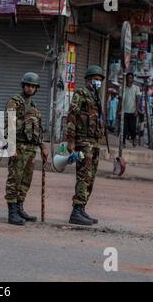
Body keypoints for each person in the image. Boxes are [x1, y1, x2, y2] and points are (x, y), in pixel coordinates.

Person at [4, 72, 49, 226]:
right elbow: (8, 125)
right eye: (28, 85)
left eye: (33, 86)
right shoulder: (14, 102)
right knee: (14, 179)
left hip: (31, 148)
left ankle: (19, 207)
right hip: (18, 145)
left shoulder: (34, 106)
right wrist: (11, 147)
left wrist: (43, 146)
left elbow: (38, 129)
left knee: (26, 180)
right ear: (23, 86)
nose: (30, 89)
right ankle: (12, 212)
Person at [65, 65, 105, 226]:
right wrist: (70, 140)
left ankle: (81, 209)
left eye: (99, 79)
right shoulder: (80, 94)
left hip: (94, 142)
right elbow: (71, 116)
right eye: (95, 79)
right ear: (88, 80)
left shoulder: (95, 97)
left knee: (91, 177)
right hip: (83, 142)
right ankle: (76, 211)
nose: (97, 82)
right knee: (84, 176)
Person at [122, 72, 141, 147]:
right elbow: (120, 100)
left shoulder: (136, 88)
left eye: (131, 78)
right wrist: (119, 110)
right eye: (128, 77)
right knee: (124, 129)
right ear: (126, 79)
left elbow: (137, 100)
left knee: (132, 128)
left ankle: (134, 138)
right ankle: (123, 142)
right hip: (124, 112)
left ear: (133, 79)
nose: (129, 79)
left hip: (133, 112)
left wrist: (136, 110)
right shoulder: (122, 88)